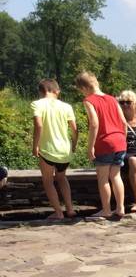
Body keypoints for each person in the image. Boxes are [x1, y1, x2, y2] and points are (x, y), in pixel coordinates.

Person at [75, 71, 128, 219]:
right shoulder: (113, 99)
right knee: (116, 176)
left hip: (104, 142)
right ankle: (120, 208)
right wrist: (122, 139)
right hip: (120, 141)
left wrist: (90, 146)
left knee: (103, 178)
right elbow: (124, 123)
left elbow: (94, 124)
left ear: (83, 88)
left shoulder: (89, 101)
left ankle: (106, 210)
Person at [31, 78, 78, 220]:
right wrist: (74, 145)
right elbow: (74, 129)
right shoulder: (67, 106)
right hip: (65, 150)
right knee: (62, 178)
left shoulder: (37, 104)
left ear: (41, 91)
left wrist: (35, 146)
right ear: (57, 91)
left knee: (48, 181)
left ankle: (58, 213)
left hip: (47, 150)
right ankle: (70, 209)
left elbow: (38, 125)